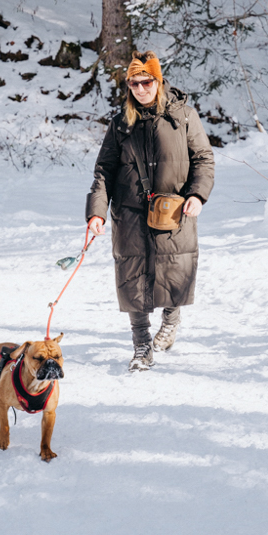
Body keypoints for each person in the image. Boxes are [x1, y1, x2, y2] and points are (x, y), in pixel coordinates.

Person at [86, 51, 215, 371]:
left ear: (158, 81)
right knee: (133, 279)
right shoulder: (120, 124)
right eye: (134, 83)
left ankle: (171, 319)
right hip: (129, 214)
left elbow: (204, 159)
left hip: (174, 211)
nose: (140, 88)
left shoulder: (183, 116)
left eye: (146, 82)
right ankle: (141, 346)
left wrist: (197, 194)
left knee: (172, 273)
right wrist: (96, 213)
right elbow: (104, 170)